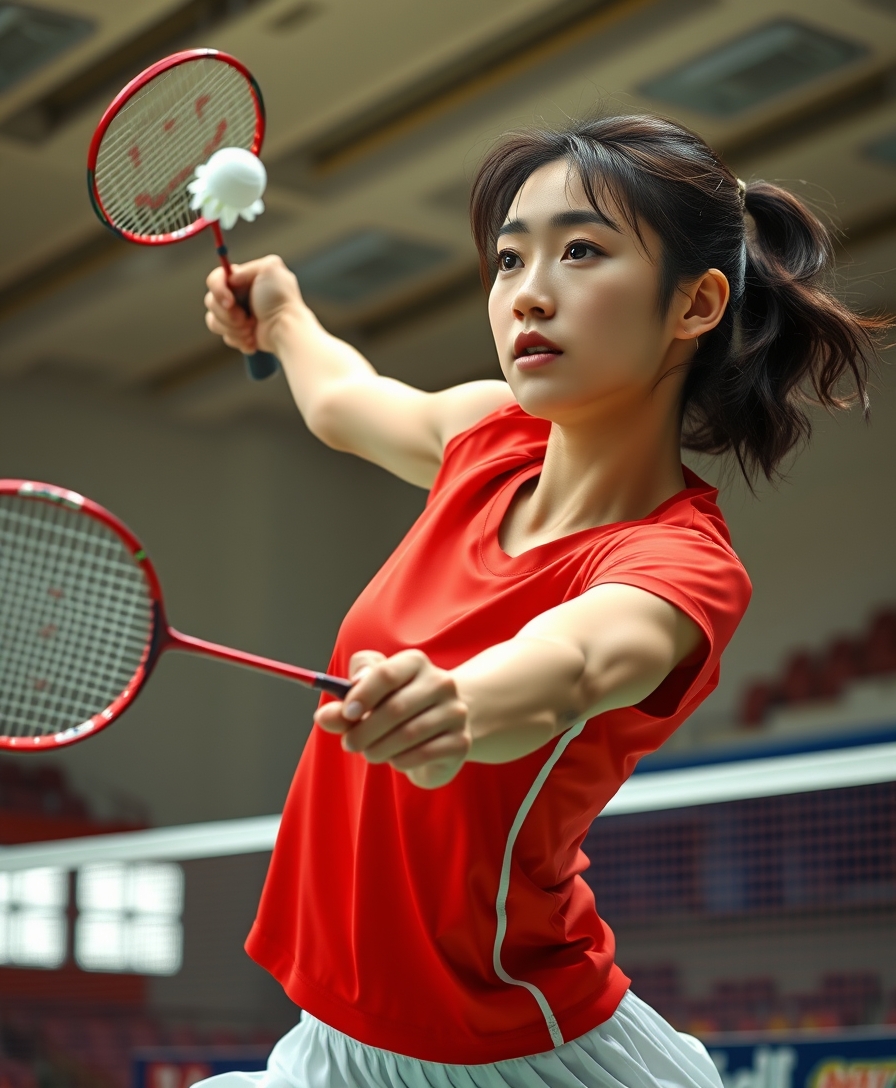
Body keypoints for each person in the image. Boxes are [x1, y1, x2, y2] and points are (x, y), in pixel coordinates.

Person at [201, 115, 884, 1088]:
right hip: (334, 1042)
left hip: (520, 1049)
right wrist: (282, 317)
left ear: (692, 304)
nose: (527, 290)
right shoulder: (487, 436)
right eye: (507, 257)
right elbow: (342, 400)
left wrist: (456, 705)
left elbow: (571, 663)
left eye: (578, 250)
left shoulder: (677, 565)